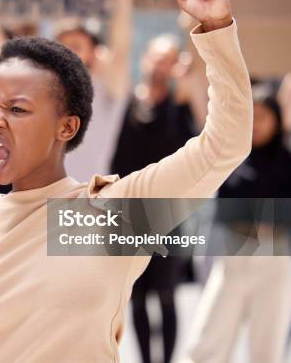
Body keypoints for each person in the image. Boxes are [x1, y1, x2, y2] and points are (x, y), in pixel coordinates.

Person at [0, 0, 253, 362]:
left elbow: (226, 142)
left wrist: (215, 30)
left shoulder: (117, 214)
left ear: (66, 127)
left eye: (17, 109)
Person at [181, 90, 291, 363]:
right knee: (207, 343)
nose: (257, 122)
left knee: (266, 348)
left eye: (264, 116)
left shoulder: (288, 160)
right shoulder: (230, 155)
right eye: (252, 115)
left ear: (277, 120)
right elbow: (204, 119)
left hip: (274, 260)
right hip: (233, 256)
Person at [110, 34, 199, 363]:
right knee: (136, 296)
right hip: (129, 214)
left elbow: (201, 130)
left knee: (165, 295)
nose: (162, 65)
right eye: (158, 57)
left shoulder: (180, 105)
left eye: (169, 59)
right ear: (145, 59)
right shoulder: (126, 103)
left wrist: (187, 86)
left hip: (168, 216)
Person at [56, 0, 137, 180]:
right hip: (42, 200)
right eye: (61, 45)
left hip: (88, 199)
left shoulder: (105, 88)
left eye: (76, 46)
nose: (66, 51)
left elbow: (120, 48)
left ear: (94, 53)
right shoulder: (45, 90)